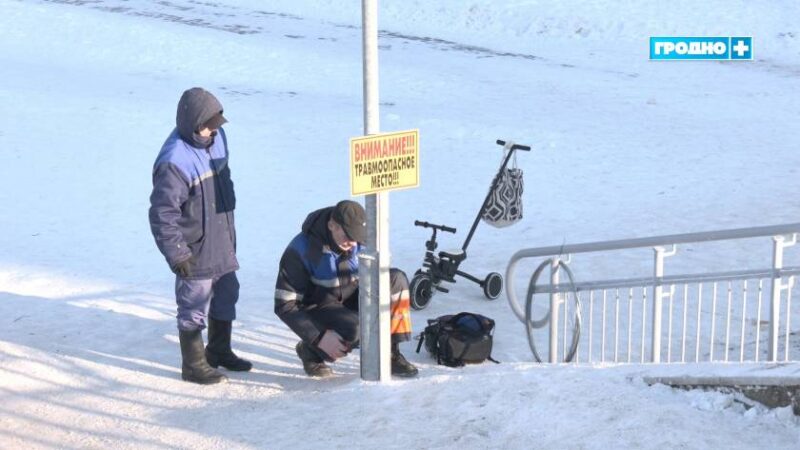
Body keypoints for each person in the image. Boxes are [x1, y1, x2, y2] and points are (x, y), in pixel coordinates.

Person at [149, 87, 251, 385]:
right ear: (192, 122)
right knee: (193, 304)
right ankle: (193, 365)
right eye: (208, 125)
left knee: (227, 294)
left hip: (221, 239)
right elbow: (162, 213)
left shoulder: (218, 139)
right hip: (194, 247)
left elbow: (225, 179)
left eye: (216, 124)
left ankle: (219, 349)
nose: (213, 131)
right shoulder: (174, 160)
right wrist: (178, 253)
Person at [274, 200, 418, 378]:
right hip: (319, 307)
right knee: (357, 328)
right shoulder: (301, 249)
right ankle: (311, 351)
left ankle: (391, 353)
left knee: (396, 279)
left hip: (352, 294)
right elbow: (285, 304)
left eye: (356, 237)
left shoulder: (361, 239)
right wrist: (317, 336)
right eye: (347, 235)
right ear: (332, 225)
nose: (352, 242)